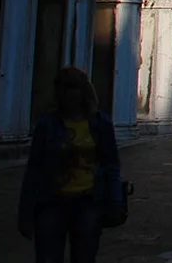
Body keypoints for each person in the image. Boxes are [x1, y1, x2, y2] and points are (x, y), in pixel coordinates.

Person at [19, 66, 121, 263]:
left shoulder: (100, 124)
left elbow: (111, 165)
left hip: (88, 201)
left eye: (73, 87)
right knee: (48, 257)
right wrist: (25, 213)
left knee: (84, 257)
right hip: (51, 201)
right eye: (63, 88)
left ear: (84, 91)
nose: (68, 93)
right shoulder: (47, 125)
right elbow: (34, 169)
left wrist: (115, 201)